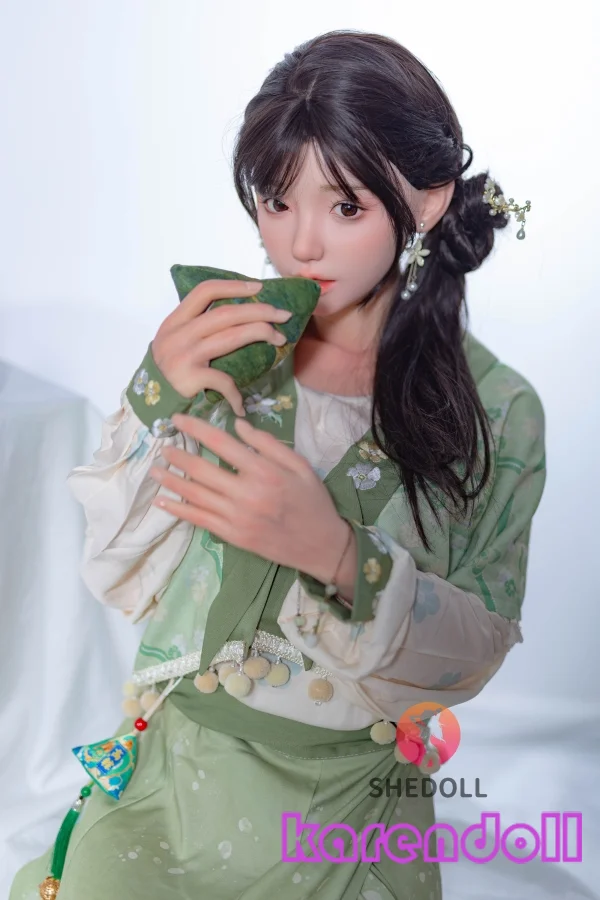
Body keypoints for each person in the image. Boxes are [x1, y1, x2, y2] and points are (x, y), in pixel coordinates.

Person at [11, 29, 546, 900]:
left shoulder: (497, 409)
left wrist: (339, 555)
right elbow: (117, 575)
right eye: (276, 200)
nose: (300, 246)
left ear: (428, 201)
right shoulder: (227, 350)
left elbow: (477, 648)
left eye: (345, 208)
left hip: (354, 806)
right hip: (180, 780)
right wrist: (155, 398)